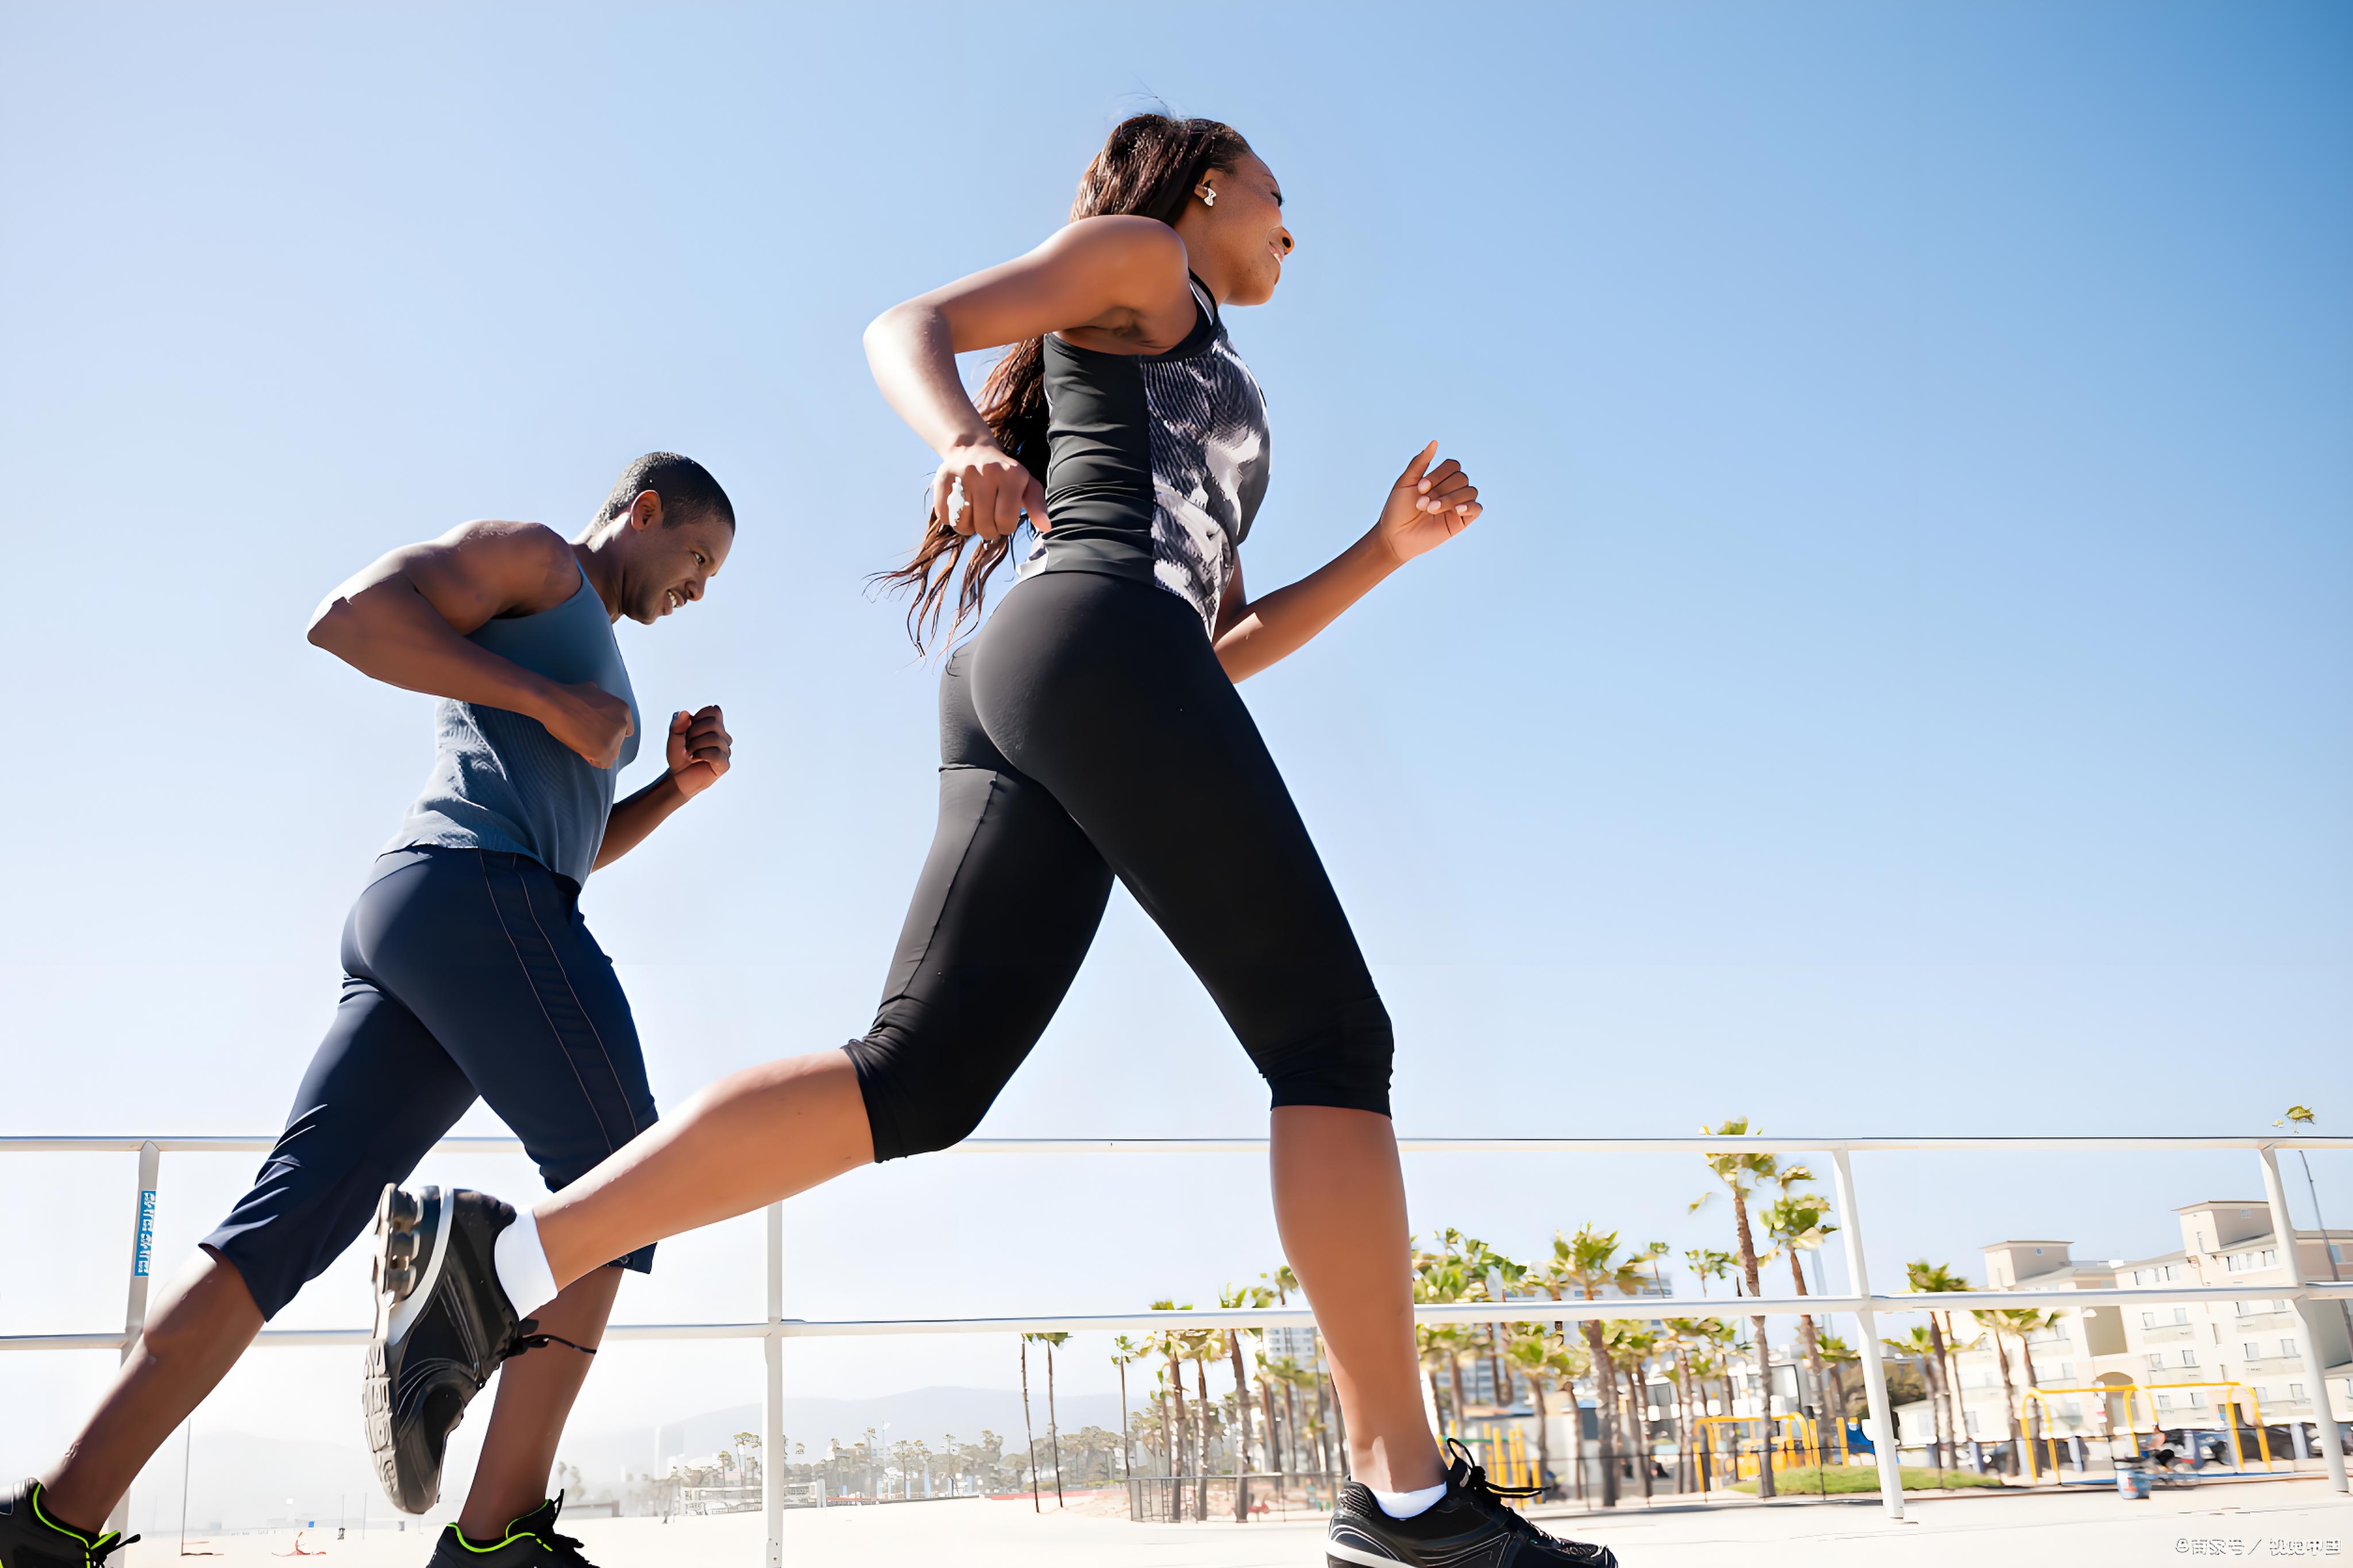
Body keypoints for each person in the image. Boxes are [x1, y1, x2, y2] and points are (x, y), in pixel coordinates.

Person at [365, 115, 1615, 1567]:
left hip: (1078, 663)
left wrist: (1382, 554)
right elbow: (911, 324)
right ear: (1207, 188)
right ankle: (1403, 1498)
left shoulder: (1200, 362)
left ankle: (504, 1258)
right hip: (1085, 638)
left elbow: (1212, 647)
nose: (1292, 228)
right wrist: (962, 440)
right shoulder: (1140, 258)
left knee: (921, 1076)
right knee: (1329, 1041)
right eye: (1280, 198)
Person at [0, 453, 739, 1568]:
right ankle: (495, 1540)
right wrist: (548, 699)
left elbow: (569, 850)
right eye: (696, 558)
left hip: (440, 914)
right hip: (472, 893)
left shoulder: (591, 653)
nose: (696, 590)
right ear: (642, 513)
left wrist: (668, 792)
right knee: (624, 1180)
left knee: (280, 1234)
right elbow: (345, 619)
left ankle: (51, 1526)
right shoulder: (542, 561)